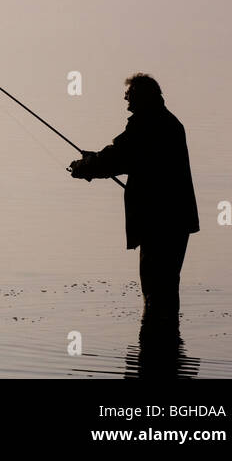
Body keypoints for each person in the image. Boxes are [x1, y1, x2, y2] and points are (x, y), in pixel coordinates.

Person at [68, 74, 200, 330]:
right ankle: (166, 348)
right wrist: (93, 159)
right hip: (176, 219)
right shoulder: (167, 122)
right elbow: (125, 155)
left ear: (141, 97)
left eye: (129, 94)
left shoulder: (147, 123)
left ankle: (154, 353)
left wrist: (84, 167)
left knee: (155, 288)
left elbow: (120, 157)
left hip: (159, 220)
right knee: (166, 286)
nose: (125, 98)